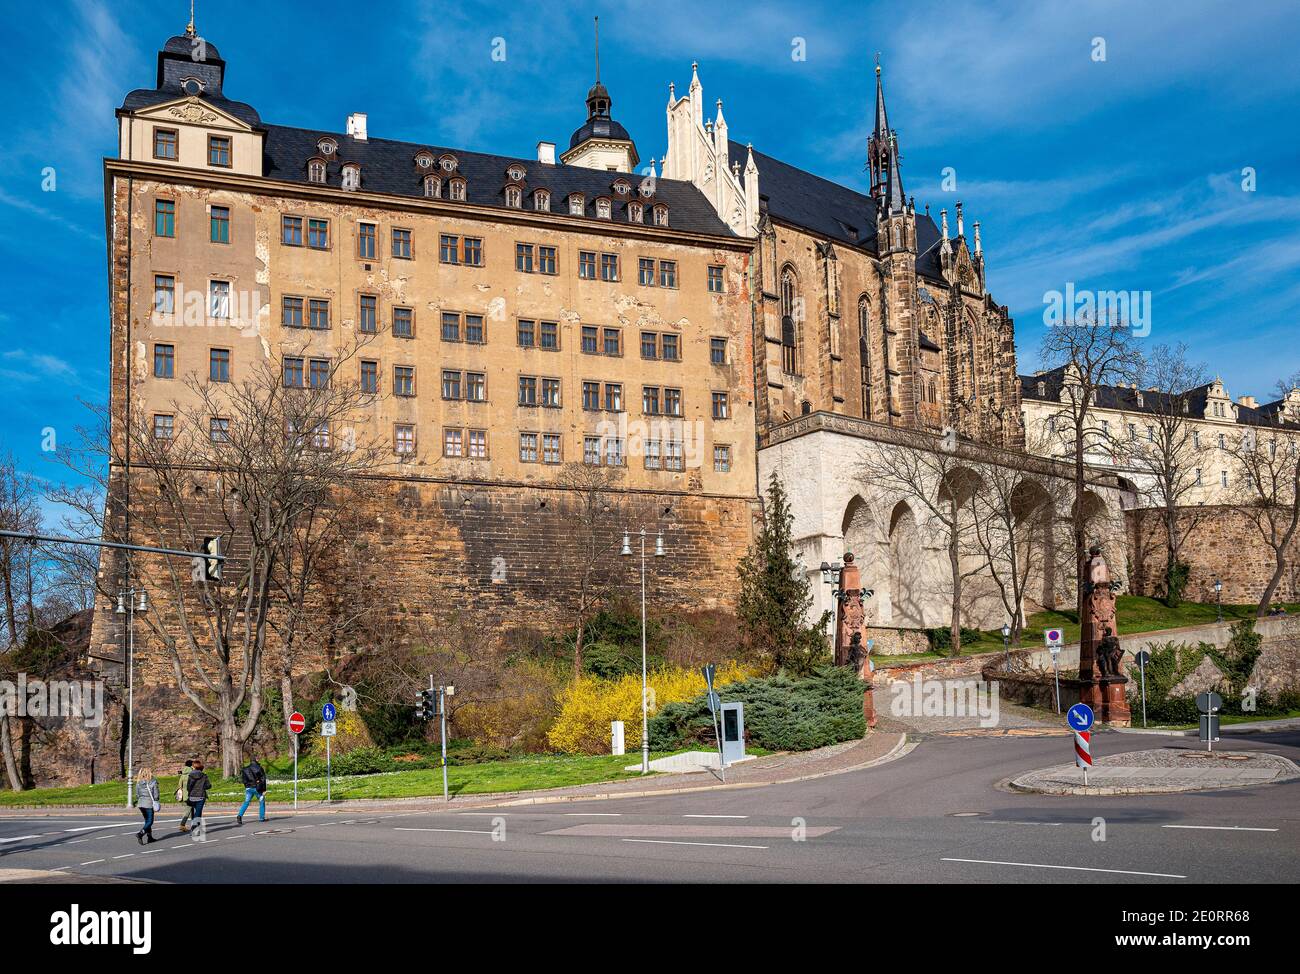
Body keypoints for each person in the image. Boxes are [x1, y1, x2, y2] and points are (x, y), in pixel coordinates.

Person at [237, 757, 268, 825]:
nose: (259, 760)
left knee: (246, 802)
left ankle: (239, 815)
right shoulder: (259, 768)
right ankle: (261, 818)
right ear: (256, 760)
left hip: (248, 788)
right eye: (258, 759)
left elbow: (244, 780)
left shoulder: (245, 769)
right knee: (261, 802)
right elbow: (263, 779)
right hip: (257, 788)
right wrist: (264, 790)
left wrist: (247, 786)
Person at [186, 759, 212, 839]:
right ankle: (194, 827)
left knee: (197, 812)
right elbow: (209, 786)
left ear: (194, 767)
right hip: (201, 796)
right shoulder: (204, 776)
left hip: (192, 796)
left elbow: (188, 787)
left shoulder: (190, 775)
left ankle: (197, 828)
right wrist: (202, 787)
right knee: (198, 812)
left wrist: (191, 792)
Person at [135, 767, 160, 845]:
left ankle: (150, 837)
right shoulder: (153, 782)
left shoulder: (138, 782)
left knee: (147, 821)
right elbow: (156, 795)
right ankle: (140, 833)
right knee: (150, 821)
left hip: (141, 804)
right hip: (148, 804)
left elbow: (137, 794)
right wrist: (156, 800)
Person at [175, 759, 194, 832]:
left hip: (185, 795)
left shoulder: (182, 775)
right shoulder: (192, 774)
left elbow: (179, 785)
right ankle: (182, 825)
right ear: (191, 765)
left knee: (189, 809)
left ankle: (189, 824)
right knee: (188, 810)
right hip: (191, 794)